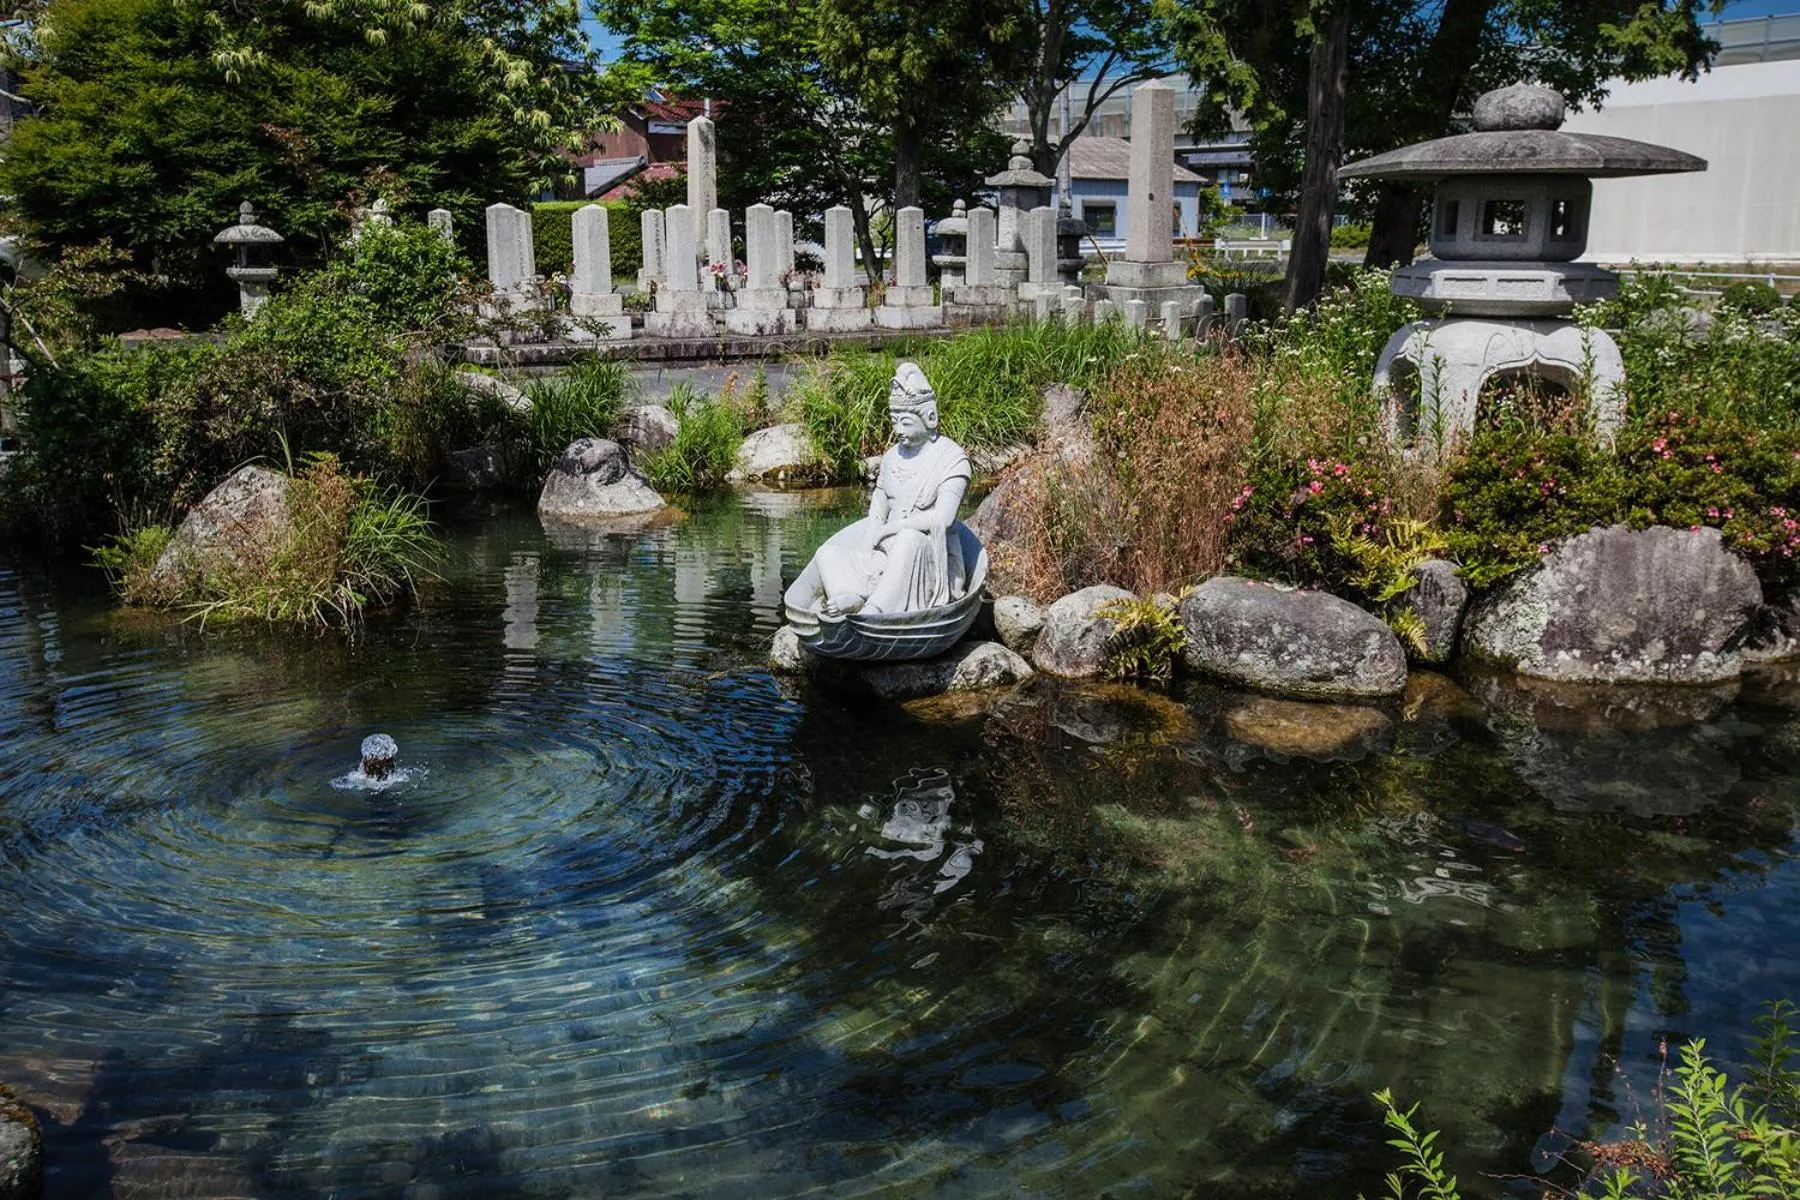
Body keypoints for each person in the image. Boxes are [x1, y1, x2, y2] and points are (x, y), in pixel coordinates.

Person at [805, 362, 972, 617]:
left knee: (907, 539)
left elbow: (944, 518)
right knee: (826, 552)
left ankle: (874, 609)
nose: (897, 430)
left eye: (905, 422)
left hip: (928, 557)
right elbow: (876, 515)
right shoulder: (891, 458)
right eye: (894, 421)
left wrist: (892, 529)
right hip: (885, 552)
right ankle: (849, 595)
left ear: (929, 418)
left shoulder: (952, 458)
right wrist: (867, 550)